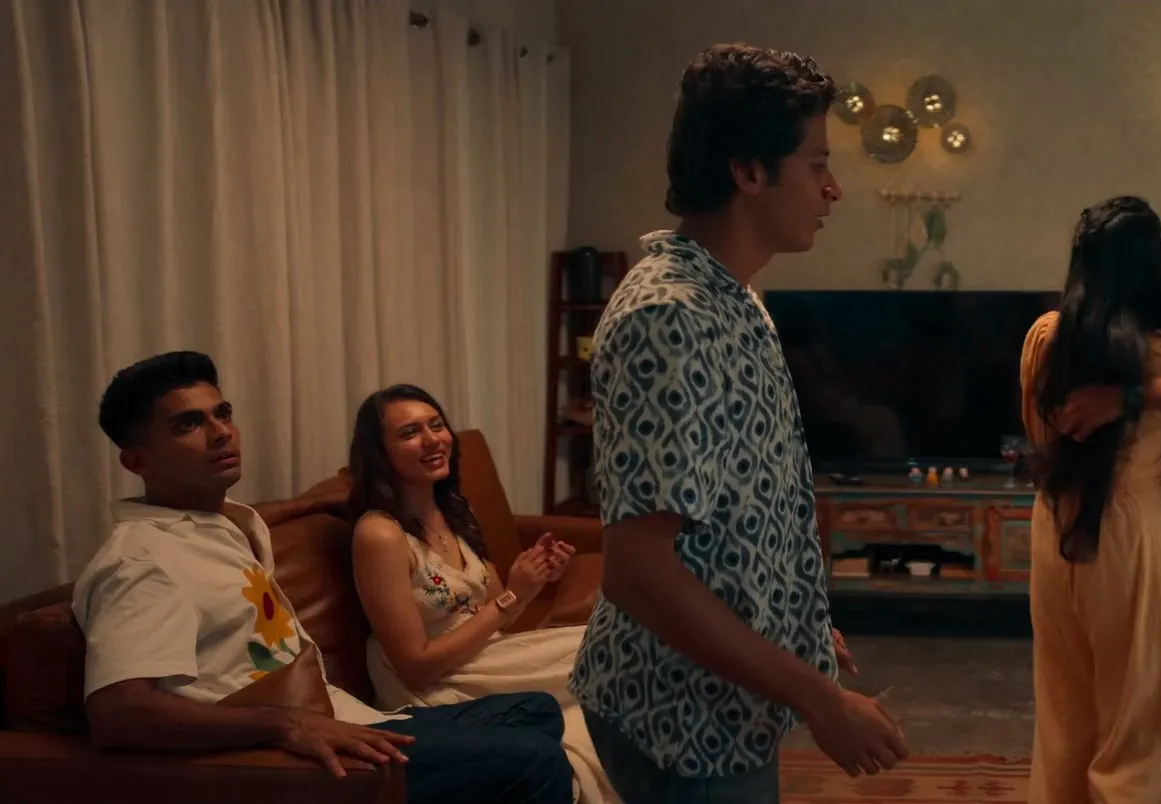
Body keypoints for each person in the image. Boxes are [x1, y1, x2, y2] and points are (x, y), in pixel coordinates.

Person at [569, 42, 908, 802]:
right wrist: (819, 699)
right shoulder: (669, 316)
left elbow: (731, 510)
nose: (834, 189)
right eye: (817, 164)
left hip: (730, 703)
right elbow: (639, 573)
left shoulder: (735, 297)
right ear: (749, 173)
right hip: (680, 717)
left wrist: (796, 623)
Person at [75, 351, 573, 804]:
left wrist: (315, 502)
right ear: (137, 461)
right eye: (188, 424)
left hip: (345, 716)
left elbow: (252, 515)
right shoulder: (140, 562)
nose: (221, 432)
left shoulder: (219, 523)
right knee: (536, 759)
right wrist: (283, 724)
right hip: (295, 761)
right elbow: (118, 714)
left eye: (222, 414)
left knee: (535, 712)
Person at [1020, 196, 1161, 804]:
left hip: (1054, 524)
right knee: (1137, 727)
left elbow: (1041, 435)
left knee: (1063, 714)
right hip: (1134, 533)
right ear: (1157, 261)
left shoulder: (1048, 339)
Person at [347, 383, 616, 803]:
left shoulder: (455, 509)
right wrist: (512, 598)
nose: (432, 439)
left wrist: (532, 581)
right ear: (380, 453)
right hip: (435, 685)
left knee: (613, 646)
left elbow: (496, 613)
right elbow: (415, 666)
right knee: (607, 657)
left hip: (485, 657)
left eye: (437, 425)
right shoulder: (379, 534)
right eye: (411, 432)